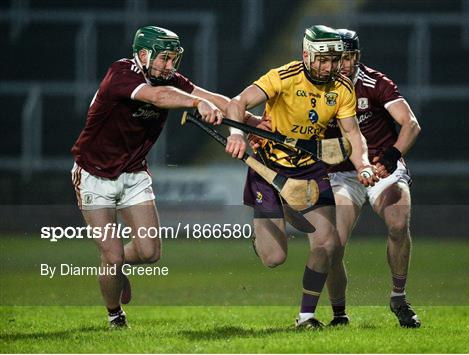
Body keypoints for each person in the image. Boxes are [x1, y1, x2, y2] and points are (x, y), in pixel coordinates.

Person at [70, 25, 246, 328]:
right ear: (143, 54)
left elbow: (223, 101)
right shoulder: (121, 72)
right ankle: (116, 316)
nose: (170, 66)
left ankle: (114, 266)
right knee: (111, 256)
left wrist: (246, 126)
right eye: (164, 58)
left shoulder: (172, 80)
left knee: (149, 252)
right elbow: (160, 97)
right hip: (94, 174)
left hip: (134, 173)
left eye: (173, 59)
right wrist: (195, 103)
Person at [226, 25, 378, 329]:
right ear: (307, 55)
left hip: (310, 168)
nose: (329, 66)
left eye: (334, 60)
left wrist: (363, 164)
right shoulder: (282, 77)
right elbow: (237, 103)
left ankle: (306, 316)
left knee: (327, 243)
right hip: (269, 169)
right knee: (274, 258)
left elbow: (352, 133)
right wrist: (236, 134)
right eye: (322, 59)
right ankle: (273, 221)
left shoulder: (342, 88)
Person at [324, 29, 422, 328]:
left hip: (381, 167)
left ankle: (398, 297)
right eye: (338, 57)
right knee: (331, 245)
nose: (344, 64)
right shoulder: (315, 89)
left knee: (397, 221)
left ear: (357, 56)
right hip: (342, 173)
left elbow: (410, 124)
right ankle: (339, 314)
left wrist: (392, 156)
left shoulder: (375, 83)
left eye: (350, 57)